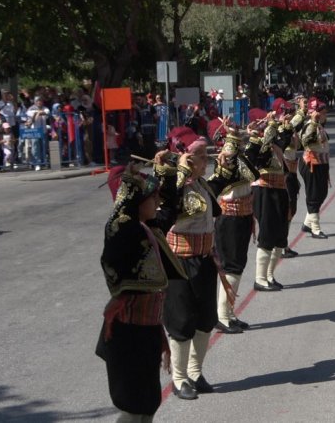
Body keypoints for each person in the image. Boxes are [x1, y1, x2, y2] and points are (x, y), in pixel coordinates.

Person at [96, 161, 187, 422]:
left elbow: (171, 206)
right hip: (128, 331)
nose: (157, 201)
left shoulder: (149, 227)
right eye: (152, 197)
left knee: (148, 403)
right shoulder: (125, 230)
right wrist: (128, 184)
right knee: (135, 406)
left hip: (147, 328)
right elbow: (116, 230)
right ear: (136, 200)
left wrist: (166, 172)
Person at [161, 128, 235, 400]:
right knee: (181, 321)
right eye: (200, 156)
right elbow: (169, 205)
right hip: (178, 263)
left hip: (204, 260)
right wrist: (178, 171)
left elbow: (215, 206)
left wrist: (227, 167)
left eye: (205, 155)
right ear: (185, 159)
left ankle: (194, 371)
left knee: (205, 319)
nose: (207, 160)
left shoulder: (201, 184)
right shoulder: (170, 186)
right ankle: (178, 379)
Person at [212, 126, 259, 334]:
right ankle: (222, 315)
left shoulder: (240, 158)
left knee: (238, 264)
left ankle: (229, 313)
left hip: (242, 215)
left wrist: (247, 143)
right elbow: (251, 173)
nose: (237, 144)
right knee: (231, 266)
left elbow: (253, 171)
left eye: (238, 141)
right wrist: (232, 151)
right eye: (233, 141)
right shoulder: (227, 163)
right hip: (229, 217)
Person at [249, 112, 297, 291]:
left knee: (280, 236)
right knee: (268, 233)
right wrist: (263, 130)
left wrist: (285, 124)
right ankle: (260, 278)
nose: (274, 128)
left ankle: (269, 274)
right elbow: (255, 159)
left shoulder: (277, 145)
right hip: (264, 191)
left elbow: (286, 135)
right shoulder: (258, 147)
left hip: (279, 191)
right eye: (270, 127)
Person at [300, 99, 331, 239]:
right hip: (312, 164)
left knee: (322, 194)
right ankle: (315, 229)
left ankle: (308, 223)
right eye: (323, 113)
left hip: (322, 164)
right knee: (313, 196)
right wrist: (313, 122)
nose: (326, 116)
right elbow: (305, 141)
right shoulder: (309, 126)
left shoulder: (320, 126)